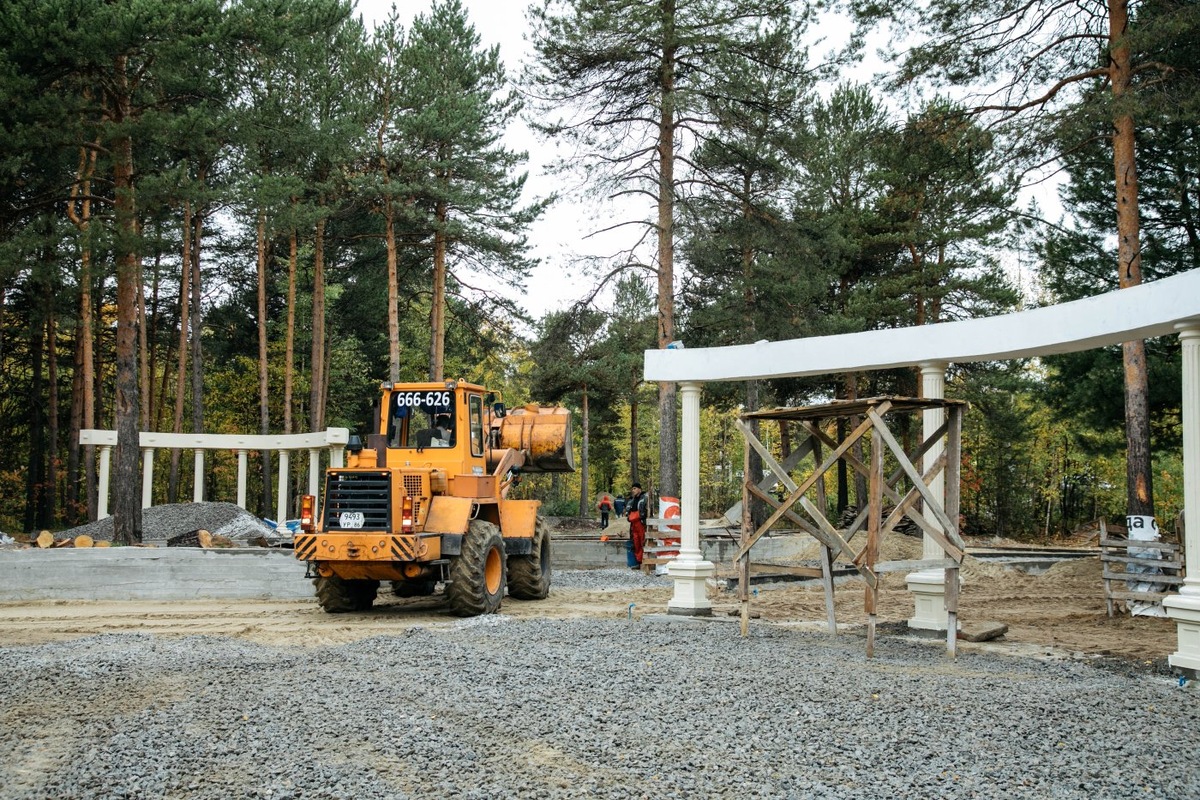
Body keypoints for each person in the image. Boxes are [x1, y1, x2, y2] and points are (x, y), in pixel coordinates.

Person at [626, 482, 648, 569]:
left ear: (639, 489)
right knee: (636, 543)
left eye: (634, 488)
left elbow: (646, 510)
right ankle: (638, 562)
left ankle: (644, 561)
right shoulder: (632, 500)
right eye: (632, 489)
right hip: (633, 524)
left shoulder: (644, 498)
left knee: (642, 541)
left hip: (640, 523)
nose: (633, 490)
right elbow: (628, 511)